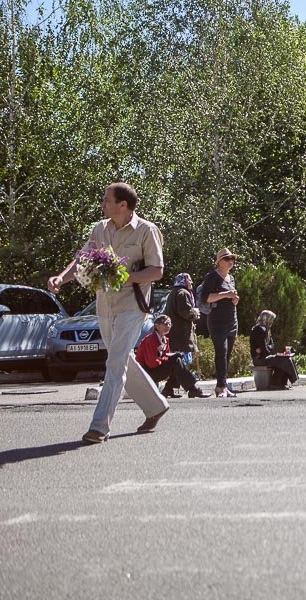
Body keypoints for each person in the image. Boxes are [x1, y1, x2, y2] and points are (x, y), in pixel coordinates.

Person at [48, 182, 169, 444]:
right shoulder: (99, 229)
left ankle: (99, 426)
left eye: (106, 200)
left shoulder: (147, 231)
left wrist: (127, 278)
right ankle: (156, 406)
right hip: (104, 306)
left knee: (114, 363)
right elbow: (82, 259)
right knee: (121, 358)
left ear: (122, 205)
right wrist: (61, 278)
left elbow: (157, 271)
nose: (102, 204)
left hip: (132, 307)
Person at [199, 247, 241, 398]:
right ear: (219, 262)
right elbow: (206, 298)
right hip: (217, 321)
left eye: (232, 259)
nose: (231, 262)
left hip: (232, 320)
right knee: (221, 352)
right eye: (227, 259)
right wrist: (226, 294)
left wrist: (235, 299)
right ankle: (221, 386)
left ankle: (222, 385)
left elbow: (232, 297)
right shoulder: (212, 277)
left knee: (227, 354)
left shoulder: (232, 278)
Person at [134, 315, 210, 398]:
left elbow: (164, 356)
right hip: (145, 373)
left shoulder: (165, 340)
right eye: (166, 324)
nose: (168, 326)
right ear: (157, 325)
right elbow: (151, 363)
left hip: (155, 368)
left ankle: (169, 389)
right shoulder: (150, 340)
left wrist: (168, 357)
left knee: (177, 359)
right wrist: (165, 357)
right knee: (176, 360)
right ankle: (193, 389)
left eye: (170, 324)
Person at [161, 273, 199, 398]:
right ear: (183, 281)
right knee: (181, 362)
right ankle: (193, 388)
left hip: (174, 333)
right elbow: (185, 311)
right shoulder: (183, 293)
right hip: (180, 333)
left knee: (177, 362)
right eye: (189, 280)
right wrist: (195, 314)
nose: (191, 282)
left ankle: (169, 388)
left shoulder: (173, 292)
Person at [249, 310, 300, 389]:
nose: (272, 321)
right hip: (259, 358)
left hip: (265, 356)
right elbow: (264, 348)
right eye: (271, 319)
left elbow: (271, 346)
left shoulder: (267, 330)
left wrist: (267, 348)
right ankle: (275, 383)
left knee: (287, 358)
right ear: (266, 319)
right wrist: (266, 349)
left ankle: (282, 383)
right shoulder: (257, 330)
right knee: (282, 360)